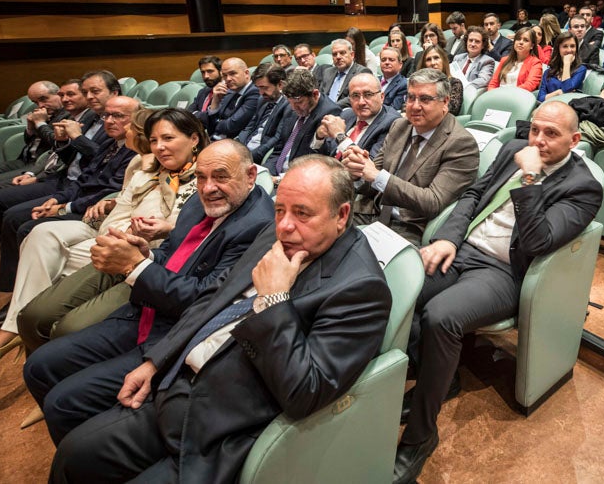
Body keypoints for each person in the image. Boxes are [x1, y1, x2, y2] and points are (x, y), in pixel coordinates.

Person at [47, 155, 391, 483]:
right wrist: (158, 360)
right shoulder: (277, 234)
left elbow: (305, 392)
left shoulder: (361, 288)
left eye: (302, 213)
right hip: (176, 382)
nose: (285, 225)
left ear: (342, 215)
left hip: (222, 428)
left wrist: (273, 301)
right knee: (73, 456)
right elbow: (214, 299)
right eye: (280, 210)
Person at [394, 101, 602, 484]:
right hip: (464, 249)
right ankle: (440, 376)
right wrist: (447, 238)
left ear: (574, 140)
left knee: (442, 316)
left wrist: (530, 180)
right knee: (401, 293)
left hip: (505, 271)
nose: (538, 140)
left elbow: (539, 242)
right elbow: (472, 196)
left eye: (551, 134)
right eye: (535, 129)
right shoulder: (511, 149)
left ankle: (420, 438)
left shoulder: (583, 187)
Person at [23, 139, 274, 446]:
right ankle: (87, 436)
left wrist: (133, 268)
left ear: (250, 175)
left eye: (221, 176)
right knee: (39, 365)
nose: (208, 187)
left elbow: (205, 300)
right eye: (201, 177)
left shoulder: (260, 226)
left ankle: (89, 450)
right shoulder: (198, 202)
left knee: (63, 402)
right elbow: (172, 251)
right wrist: (146, 256)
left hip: (175, 333)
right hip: (143, 311)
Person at [0, 108, 193, 364]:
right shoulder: (142, 170)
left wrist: (85, 209)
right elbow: (102, 192)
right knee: (41, 236)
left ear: (194, 139)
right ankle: (24, 328)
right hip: (112, 231)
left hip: (142, 248)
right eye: (154, 141)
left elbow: (187, 224)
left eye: (167, 139)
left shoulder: (198, 176)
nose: (159, 147)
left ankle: (28, 333)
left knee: (56, 266)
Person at [0, 71, 117, 253]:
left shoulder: (115, 121)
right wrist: (62, 142)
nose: (89, 96)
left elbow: (104, 161)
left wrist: (75, 137)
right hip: (64, 178)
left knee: (14, 218)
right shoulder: (91, 117)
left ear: (114, 92)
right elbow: (69, 159)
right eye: (86, 91)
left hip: (83, 186)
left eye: (95, 91)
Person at [344, 69, 478, 245]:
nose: (415, 106)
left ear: (445, 102)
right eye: (411, 98)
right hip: (371, 212)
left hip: (408, 226)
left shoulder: (461, 144)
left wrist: (377, 176)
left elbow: (433, 201)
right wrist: (357, 172)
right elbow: (372, 181)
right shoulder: (400, 126)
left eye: (425, 99)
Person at [0, 80, 69, 200]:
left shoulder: (66, 116)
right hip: (25, 158)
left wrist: (40, 123)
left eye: (44, 99)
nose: (40, 105)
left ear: (59, 94)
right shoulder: (45, 112)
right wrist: (30, 127)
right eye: (35, 102)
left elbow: (56, 144)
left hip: (40, 162)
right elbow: (28, 142)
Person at [266, 69, 341, 179]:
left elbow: (316, 162)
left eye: (299, 102)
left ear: (315, 94)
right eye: (290, 102)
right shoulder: (291, 107)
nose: (293, 108)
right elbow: (279, 148)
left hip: (299, 179)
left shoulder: (330, 114)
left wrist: (279, 179)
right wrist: (267, 173)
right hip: (275, 175)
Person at [312, 72, 400, 159]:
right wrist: (319, 137)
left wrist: (340, 136)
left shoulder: (392, 123)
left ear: (381, 97)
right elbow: (328, 153)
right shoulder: (347, 114)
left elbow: (368, 166)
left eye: (368, 95)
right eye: (355, 95)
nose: (361, 102)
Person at [236, 63, 292, 164]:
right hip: (245, 150)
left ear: (280, 85)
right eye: (258, 88)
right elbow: (249, 127)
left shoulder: (289, 105)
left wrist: (248, 158)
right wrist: (237, 147)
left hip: (260, 155)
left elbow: (277, 139)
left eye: (265, 88)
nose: (261, 92)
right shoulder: (263, 100)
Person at [193, 57, 259, 141]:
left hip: (233, 145)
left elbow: (231, 126)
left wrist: (214, 122)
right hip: (214, 141)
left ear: (246, 73)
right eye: (224, 75)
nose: (228, 79)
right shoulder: (229, 92)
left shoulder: (255, 92)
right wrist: (215, 102)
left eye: (232, 73)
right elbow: (211, 128)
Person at [319, 39, 372, 109]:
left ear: (352, 55)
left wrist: (331, 108)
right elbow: (321, 95)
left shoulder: (361, 72)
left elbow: (354, 97)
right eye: (335, 54)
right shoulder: (328, 72)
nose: (338, 57)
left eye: (342, 53)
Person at [488, 27, 543, 91]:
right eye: (518, 39)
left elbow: (530, 85)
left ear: (532, 46)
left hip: (517, 97)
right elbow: (493, 83)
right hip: (497, 96)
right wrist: (492, 94)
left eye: (526, 40)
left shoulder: (535, 63)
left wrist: (507, 93)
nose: (521, 42)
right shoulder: (504, 60)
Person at [537, 31, 587, 102]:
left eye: (572, 46)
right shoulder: (548, 72)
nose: (569, 50)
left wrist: (567, 64)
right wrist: (558, 93)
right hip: (548, 107)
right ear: (558, 49)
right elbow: (540, 98)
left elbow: (566, 90)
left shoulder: (581, 70)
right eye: (565, 46)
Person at [417, 45, 463, 115]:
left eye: (436, 58)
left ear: (443, 61)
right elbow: (408, 102)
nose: (433, 63)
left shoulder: (454, 83)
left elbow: (452, 109)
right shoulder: (419, 83)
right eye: (428, 59)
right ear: (424, 64)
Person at [450, 25, 496, 92]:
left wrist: (463, 87)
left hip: (469, 94)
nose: (473, 44)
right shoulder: (458, 58)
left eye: (477, 41)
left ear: (483, 45)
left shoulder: (487, 61)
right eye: (470, 40)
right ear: (466, 42)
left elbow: (483, 80)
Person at [379, 46, 409, 110]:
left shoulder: (403, 85)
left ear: (400, 65)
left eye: (391, 60)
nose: (387, 62)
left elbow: (393, 109)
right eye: (383, 60)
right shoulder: (374, 80)